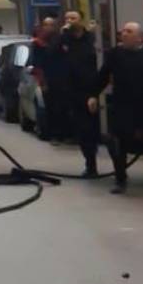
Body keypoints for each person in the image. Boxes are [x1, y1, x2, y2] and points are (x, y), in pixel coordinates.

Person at [90, 22, 143, 194]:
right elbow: (102, 76)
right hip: (122, 107)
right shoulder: (115, 54)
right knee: (116, 143)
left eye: (129, 31)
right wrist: (93, 95)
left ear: (140, 38)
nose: (124, 34)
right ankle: (120, 179)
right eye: (123, 31)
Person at [60, 11, 101, 176]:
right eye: (67, 18)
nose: (70, 21)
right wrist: (62, 34)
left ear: (81, 20)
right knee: (84, 131)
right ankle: (91, 165)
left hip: (94, 89)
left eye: (73, 18)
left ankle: (118, 169)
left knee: (99, 130)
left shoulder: (91, 38)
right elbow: (50, 53)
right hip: (75, 92)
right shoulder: (64, 39)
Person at [30, 17, 71, 142]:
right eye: (46, 25)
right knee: (51, 108)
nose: (49, 28)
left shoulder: (61, 40)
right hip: (48, 80)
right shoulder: (38, 43)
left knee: (64, 108)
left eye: (51, 25)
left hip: (63, 79)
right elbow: (37, 64)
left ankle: (65, 134)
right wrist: (42, 82)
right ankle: (53, 135)